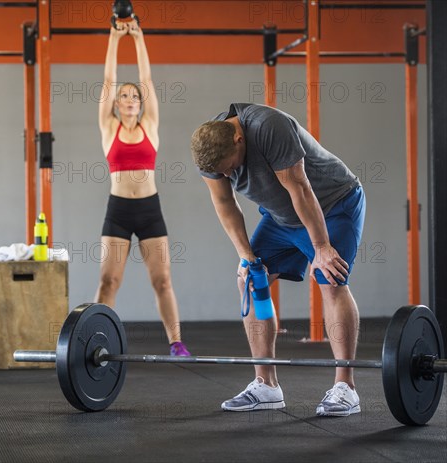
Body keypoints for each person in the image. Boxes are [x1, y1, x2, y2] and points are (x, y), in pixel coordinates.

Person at [190, 103, 366, 416]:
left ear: (238, 140)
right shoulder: (211, 152)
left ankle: (345, 387)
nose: (229, 175)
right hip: (281, 217)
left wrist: (321, 246)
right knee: (250, 279)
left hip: (332, 204)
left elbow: (300, 189)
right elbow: (224, 204)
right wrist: (246, 255)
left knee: (331, 279)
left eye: (230, 168)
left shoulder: (269, 127)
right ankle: (266, 384)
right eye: (222, 173)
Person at [96, 20, 191, 356]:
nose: (130, 98)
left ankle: (176, 342)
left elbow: (147, 80)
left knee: (162, 281)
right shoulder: (109, 128)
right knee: (109, 283)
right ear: (117, 105)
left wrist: (138, 38)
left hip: (150, 210)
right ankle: (97, 341)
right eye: (124, 96)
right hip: (119, 211)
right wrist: (114, 38)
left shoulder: (150, 125)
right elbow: (108, 80)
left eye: (134, 96)